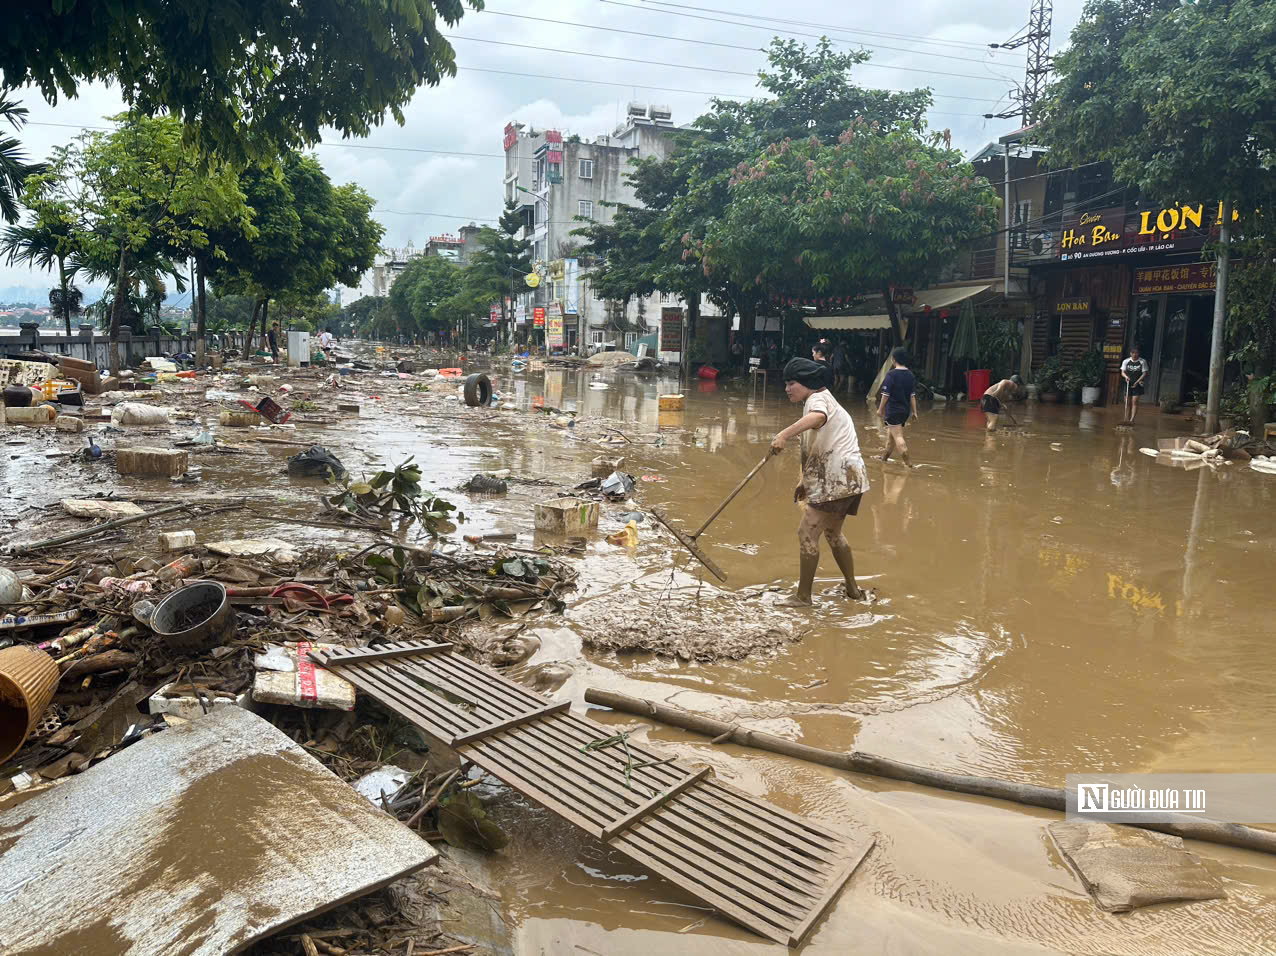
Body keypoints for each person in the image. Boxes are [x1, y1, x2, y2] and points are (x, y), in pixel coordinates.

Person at [770, 357, 871, 607]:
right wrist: (804, 481)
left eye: (791, 383)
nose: (787, 389)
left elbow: (818, 418)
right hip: (849, 478)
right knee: (833, 533)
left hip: (838, 477)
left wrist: (783, 434)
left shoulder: (818, 399)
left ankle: (803, 597)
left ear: (807, 383)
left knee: (807, 532)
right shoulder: (819, 398)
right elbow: (813, 446)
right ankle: (852, 590)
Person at [877, 346, 918, 466]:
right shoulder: (910, 375)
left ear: (893, 360)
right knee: (891, 439)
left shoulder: (891, 375)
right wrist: (914, 412)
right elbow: (912, 396)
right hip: (905, 411)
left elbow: (885, 394)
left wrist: (880, 409)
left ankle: (909, 464)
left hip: (893, 411)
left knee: (898, 437)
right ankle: (883, 459)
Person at [1121, 346, 1149, 423]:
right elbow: (1122, 372)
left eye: (1136, 353)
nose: (1134, 354)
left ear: (1138, 353)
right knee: (1127, 402)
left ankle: (1132, 419)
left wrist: (1137, 381)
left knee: (1135, 401)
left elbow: (1144, 373)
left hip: (1138, 383)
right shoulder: (1126, 361)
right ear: (1130, 353)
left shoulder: (1142, 361)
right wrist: (1126, 377)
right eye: (1133, 353)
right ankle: (1126, 418)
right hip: (1128, 383)